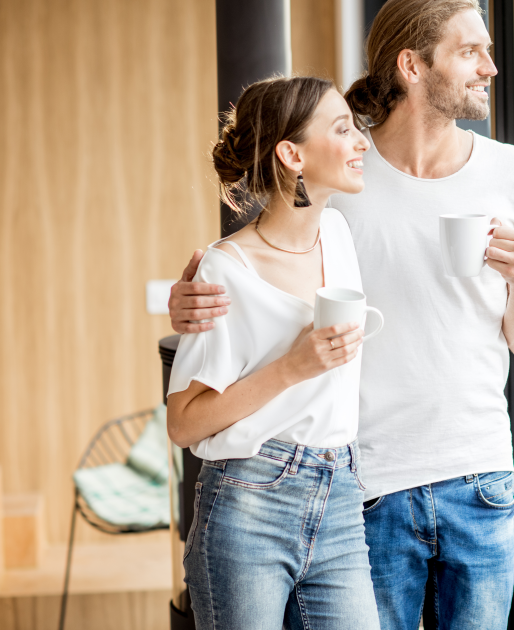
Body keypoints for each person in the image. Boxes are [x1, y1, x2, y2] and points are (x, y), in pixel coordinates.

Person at [169, 0, 514, 630]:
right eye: (470, 51)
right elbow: (267, 255)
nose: (490, 67)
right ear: (412, 64)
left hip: (479, 471)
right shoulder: (343, 177)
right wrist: (196, 294)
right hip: (365, 479)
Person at [165, 76, 379, 629]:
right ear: (292, 154)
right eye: (342, 129)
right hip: (250, 504)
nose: (360, 141)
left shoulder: (336, 232)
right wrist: (293, 367)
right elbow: (184, 424)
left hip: (340, 498)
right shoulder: (224, 270)